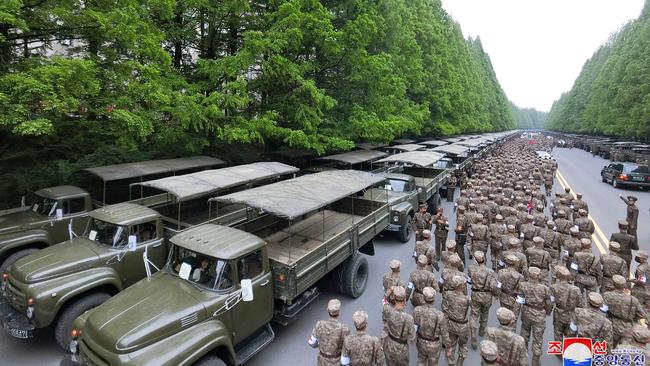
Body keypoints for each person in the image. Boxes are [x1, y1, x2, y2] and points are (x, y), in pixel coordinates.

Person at [514, 267, 551, 366]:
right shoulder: (545, 288)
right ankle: (535, 361)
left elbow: (519, 301)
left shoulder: (523, 285)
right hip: (539, 314)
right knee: (538, 339)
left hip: (526, 312)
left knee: (524, 333)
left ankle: (523, 357)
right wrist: (547, 312)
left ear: (529, 275)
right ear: (539, 276)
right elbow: (549, 303)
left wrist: (515, 315)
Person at [602, 274, 647, 348]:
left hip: (612, 326)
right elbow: (642, 314)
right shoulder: (633, 300)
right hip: (628, 329)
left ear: (613, 284)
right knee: (624, 351)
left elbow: (603, 310)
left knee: (610, 348)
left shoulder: (607, 295)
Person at [413, 287, 449, 366]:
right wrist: (448, 347)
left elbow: (415, 326)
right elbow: (444, 334)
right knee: (433, 363)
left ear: (423, 297)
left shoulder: (417, 310)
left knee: (421, 360)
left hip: (421, 341)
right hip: (434, 344)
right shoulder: (440, 315)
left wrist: (413, 338)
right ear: (434, 299)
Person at [467, 251, 496, 349]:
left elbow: (469, 281)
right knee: (485, 313)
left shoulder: (471, 269)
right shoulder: (490, 272)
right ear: (485, 259)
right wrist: (495, 294)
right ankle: (482, 330)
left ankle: (473, 332)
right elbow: (493, 286)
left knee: (474, 314)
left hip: (475, 294)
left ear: (475, 260)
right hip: (487, 295)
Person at [309, 299, 350, 366]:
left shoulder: (319, 324)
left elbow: (312, 343)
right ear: (339, 312)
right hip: (336, 363)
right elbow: (346, 351)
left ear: (327, 310)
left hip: (321, 362)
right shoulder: (344, 329)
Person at [382, 286, 416, 366]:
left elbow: (384, 300)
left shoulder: (387, 310)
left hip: (389, 345)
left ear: (394, 299)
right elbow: (412, 338)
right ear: (404, 300)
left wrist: (390, 289)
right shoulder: (409, 318)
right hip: (402, 349)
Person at [443, 275, 471, 366]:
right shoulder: (467, 299)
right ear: (462, 286)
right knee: (463, 345)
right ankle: (460, 362)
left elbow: (445, 309)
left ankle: (451, 362)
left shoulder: (448, 295)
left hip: (451, 324)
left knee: (451, 345)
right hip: (463, 326)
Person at [550, 267, 582, 344]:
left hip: (558, 313)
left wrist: (548, 310)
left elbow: (551, 302)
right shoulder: (576, 289)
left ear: (558, 276)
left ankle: (558, 353)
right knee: (571, 336)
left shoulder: (553, 287)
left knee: (558, 334)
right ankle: (568, 352)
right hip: (572, 314)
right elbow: (580, 304)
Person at [631, 251, 650, 316]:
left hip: (640, 291)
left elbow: (641, 282)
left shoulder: (640, 269)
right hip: (648, 289)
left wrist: (631, 280)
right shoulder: (647, 265)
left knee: (635, 307)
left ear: (642, 259)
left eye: (638, 257)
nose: (636, 258)